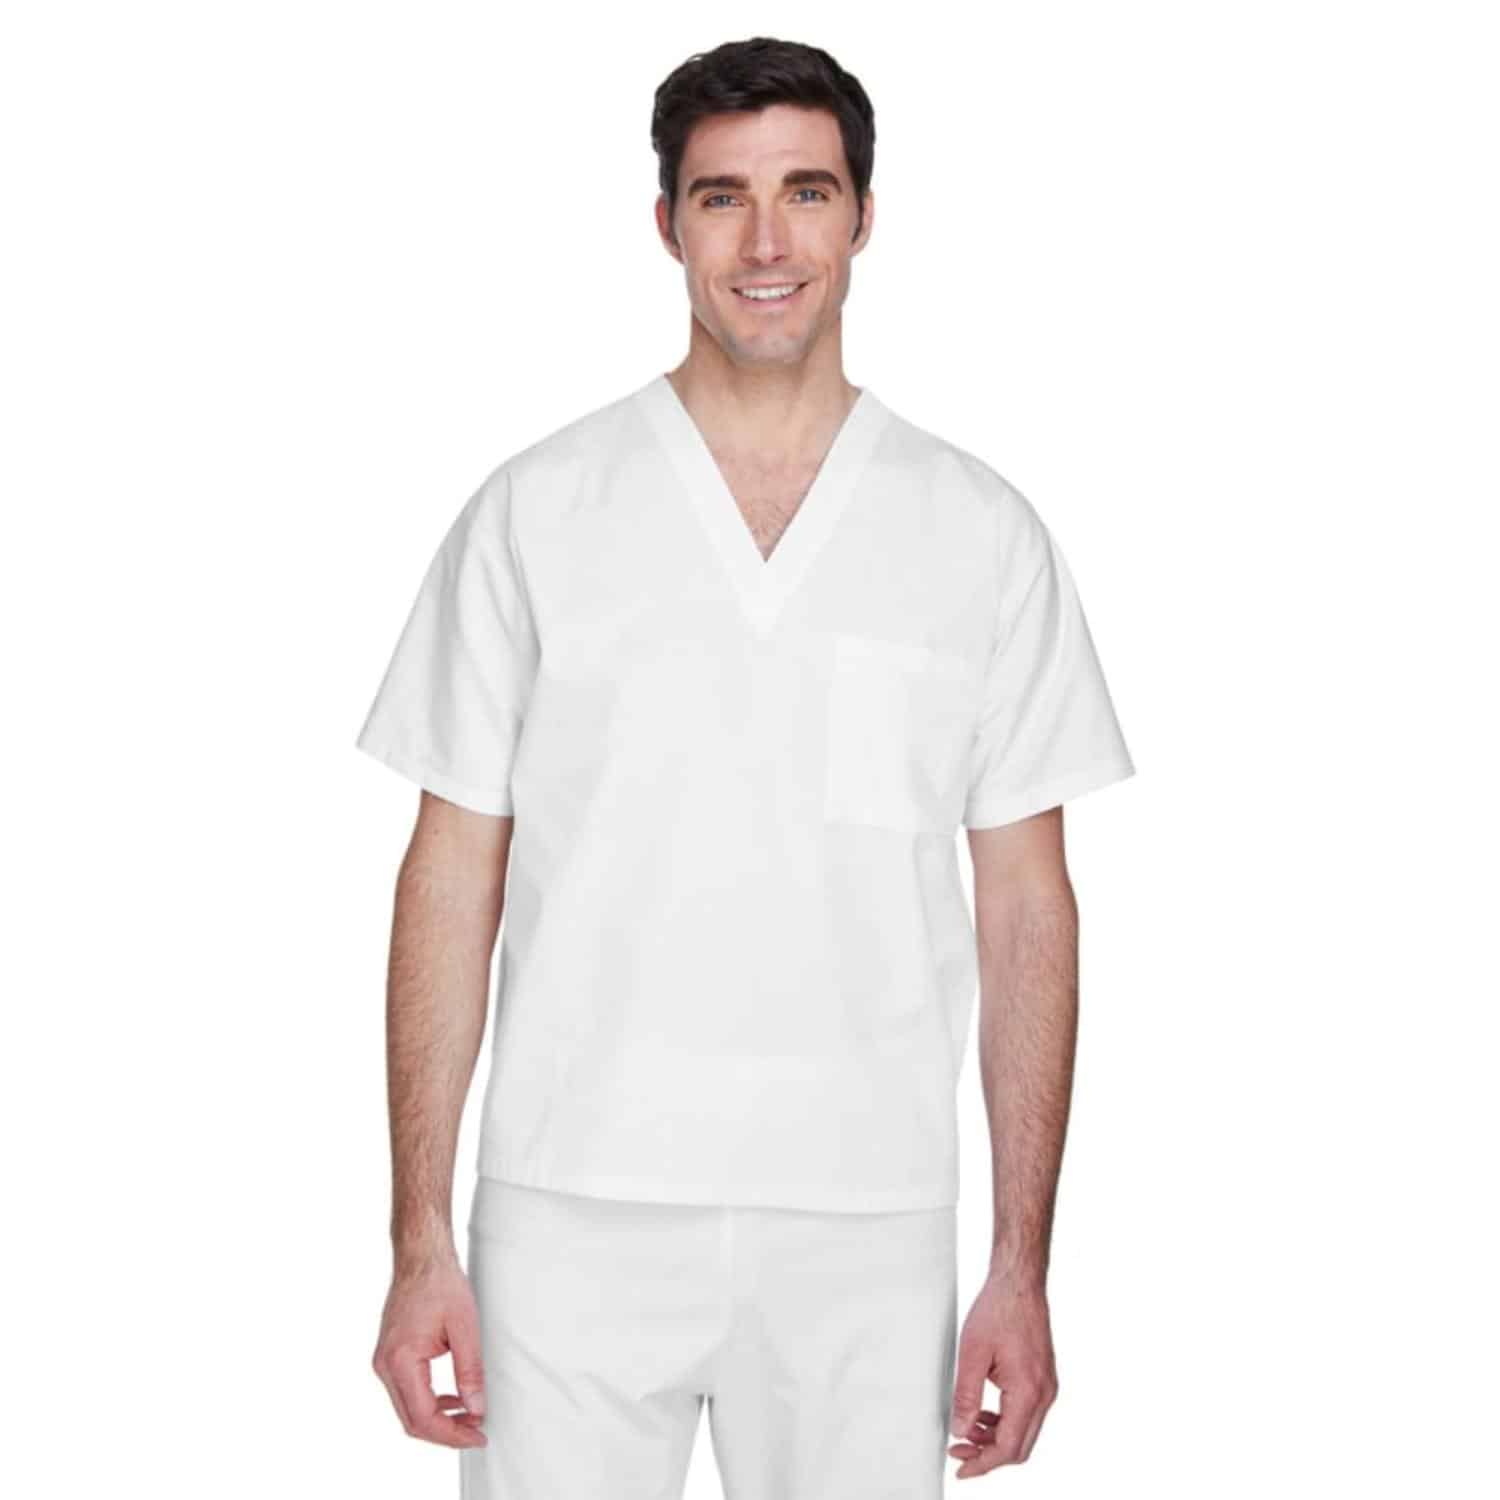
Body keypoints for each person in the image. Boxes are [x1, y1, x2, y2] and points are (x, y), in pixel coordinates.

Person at [356, 35, 1134, 1498]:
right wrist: (418, 1240)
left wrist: (1021, 1265)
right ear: (667, 224)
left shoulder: (978, 534)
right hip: (570, 1212)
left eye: (806, 192)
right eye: (723, 198)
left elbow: (1030, 910)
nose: (767, 243)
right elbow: (450, 876)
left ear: (864, 215)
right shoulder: (538, 512)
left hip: (866, 1224)